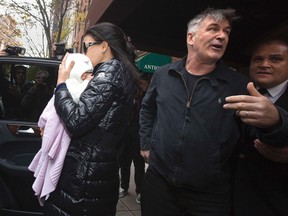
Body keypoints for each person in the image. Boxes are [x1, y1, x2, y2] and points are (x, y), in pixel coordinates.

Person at [139, 8, 288, 216]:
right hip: (159, 186)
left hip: (210, 196)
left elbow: (256, 136)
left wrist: (277, 123)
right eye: (213, 29)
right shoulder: (164, 75)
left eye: (226, 31)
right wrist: (146, 143)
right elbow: (147, 108)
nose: (222, 36)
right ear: (191, 37)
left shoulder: (239, 85)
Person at [42, 22, 143, 216]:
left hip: (85, 172)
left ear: (104, 46)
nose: (85, 53)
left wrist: (61, 85)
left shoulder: (109, 72)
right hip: (98, 166)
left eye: (87, 46)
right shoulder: (120, 72)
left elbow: (76, 121)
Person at [28, 53, 94, 206]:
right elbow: (46, 116)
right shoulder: (67, 87)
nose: (89, 76)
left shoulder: (80, 88)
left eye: (90, 73)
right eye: (86, 73)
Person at [232, 39, 288, 216]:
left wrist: (277, 121)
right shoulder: (237, 91)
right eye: (258, 59)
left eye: (275, 59)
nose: (265, 64)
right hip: (232, 200)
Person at [117, 75, 148, 203]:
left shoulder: (144, 98)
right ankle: (124, 186)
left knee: (139, 165)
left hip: (138, 136)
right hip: (125, 136)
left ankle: (140, 190)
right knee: (125, 163)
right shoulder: (127, 96)